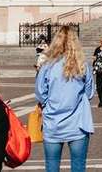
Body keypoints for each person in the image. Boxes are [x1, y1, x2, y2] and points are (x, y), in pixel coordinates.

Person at [36, 25, 96, 172]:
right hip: (78, 123)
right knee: (78, 166)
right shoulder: (83, 65)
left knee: (51, 166)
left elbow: (40, 93)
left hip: (52, 122)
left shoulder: (47, 66)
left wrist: (50, 102)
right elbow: (89, 93)